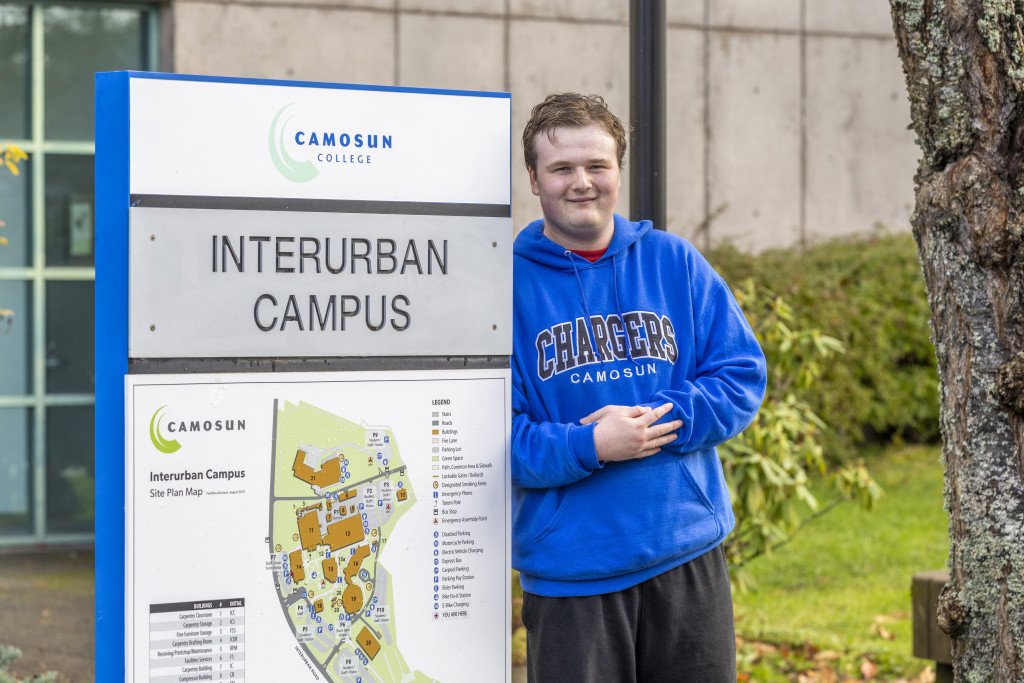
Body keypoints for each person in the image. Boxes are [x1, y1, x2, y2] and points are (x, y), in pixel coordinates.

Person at [511, 93, 767, 682]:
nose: (582, 183)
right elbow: (496, 437)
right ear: (533, 178)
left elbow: (740, 375)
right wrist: (592, 445)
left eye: (597, 165)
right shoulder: (506, 288)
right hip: (573, 572)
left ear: (618, 171)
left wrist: (657, 421)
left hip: (688, 553)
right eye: (561, 168)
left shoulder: (674, 262)